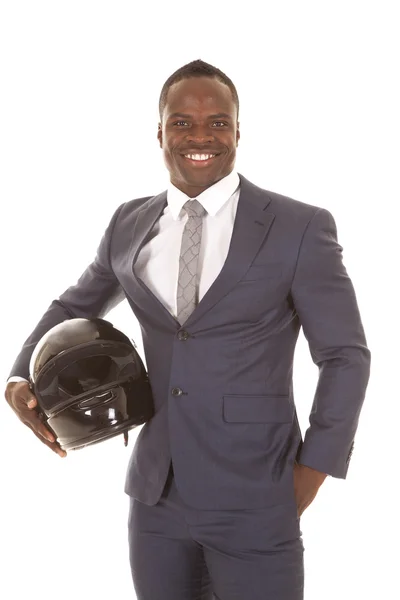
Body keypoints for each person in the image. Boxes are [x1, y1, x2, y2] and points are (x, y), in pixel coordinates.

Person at [4, 59, 371, 599]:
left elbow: (345, 356)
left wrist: (313, 470)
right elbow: (73, 307)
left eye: (218, 122)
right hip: (155, 499)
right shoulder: (129, 223)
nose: (201, 136)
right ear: (160, 132)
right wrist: (18, 376)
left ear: (238, 131)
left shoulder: (299, 227)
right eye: (182, 122)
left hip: (257, 492)